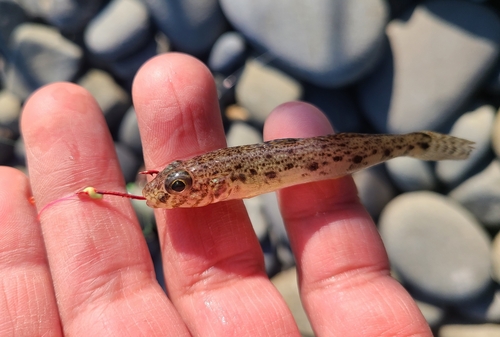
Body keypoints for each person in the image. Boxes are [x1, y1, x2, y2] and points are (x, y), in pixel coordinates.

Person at [0, 53, 431, 336]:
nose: (167, 194)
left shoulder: (219, 184)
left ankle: (417, 143)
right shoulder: (206, 181)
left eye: (176, 187)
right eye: (172, 184)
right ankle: (417, 142)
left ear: (215, 188)